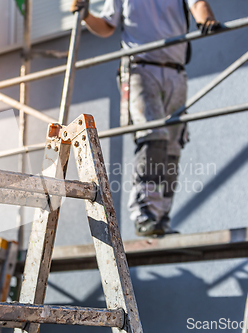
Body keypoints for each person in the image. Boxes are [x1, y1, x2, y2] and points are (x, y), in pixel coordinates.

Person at [70, 0, 220, 236]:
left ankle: (160, 217)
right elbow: (107, 25)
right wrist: (87, 15)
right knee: (153, 139)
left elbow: (198, 3)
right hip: (141, 68)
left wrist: (206, 20)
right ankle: (144, 213)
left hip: (175, 70)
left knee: (172, 147)